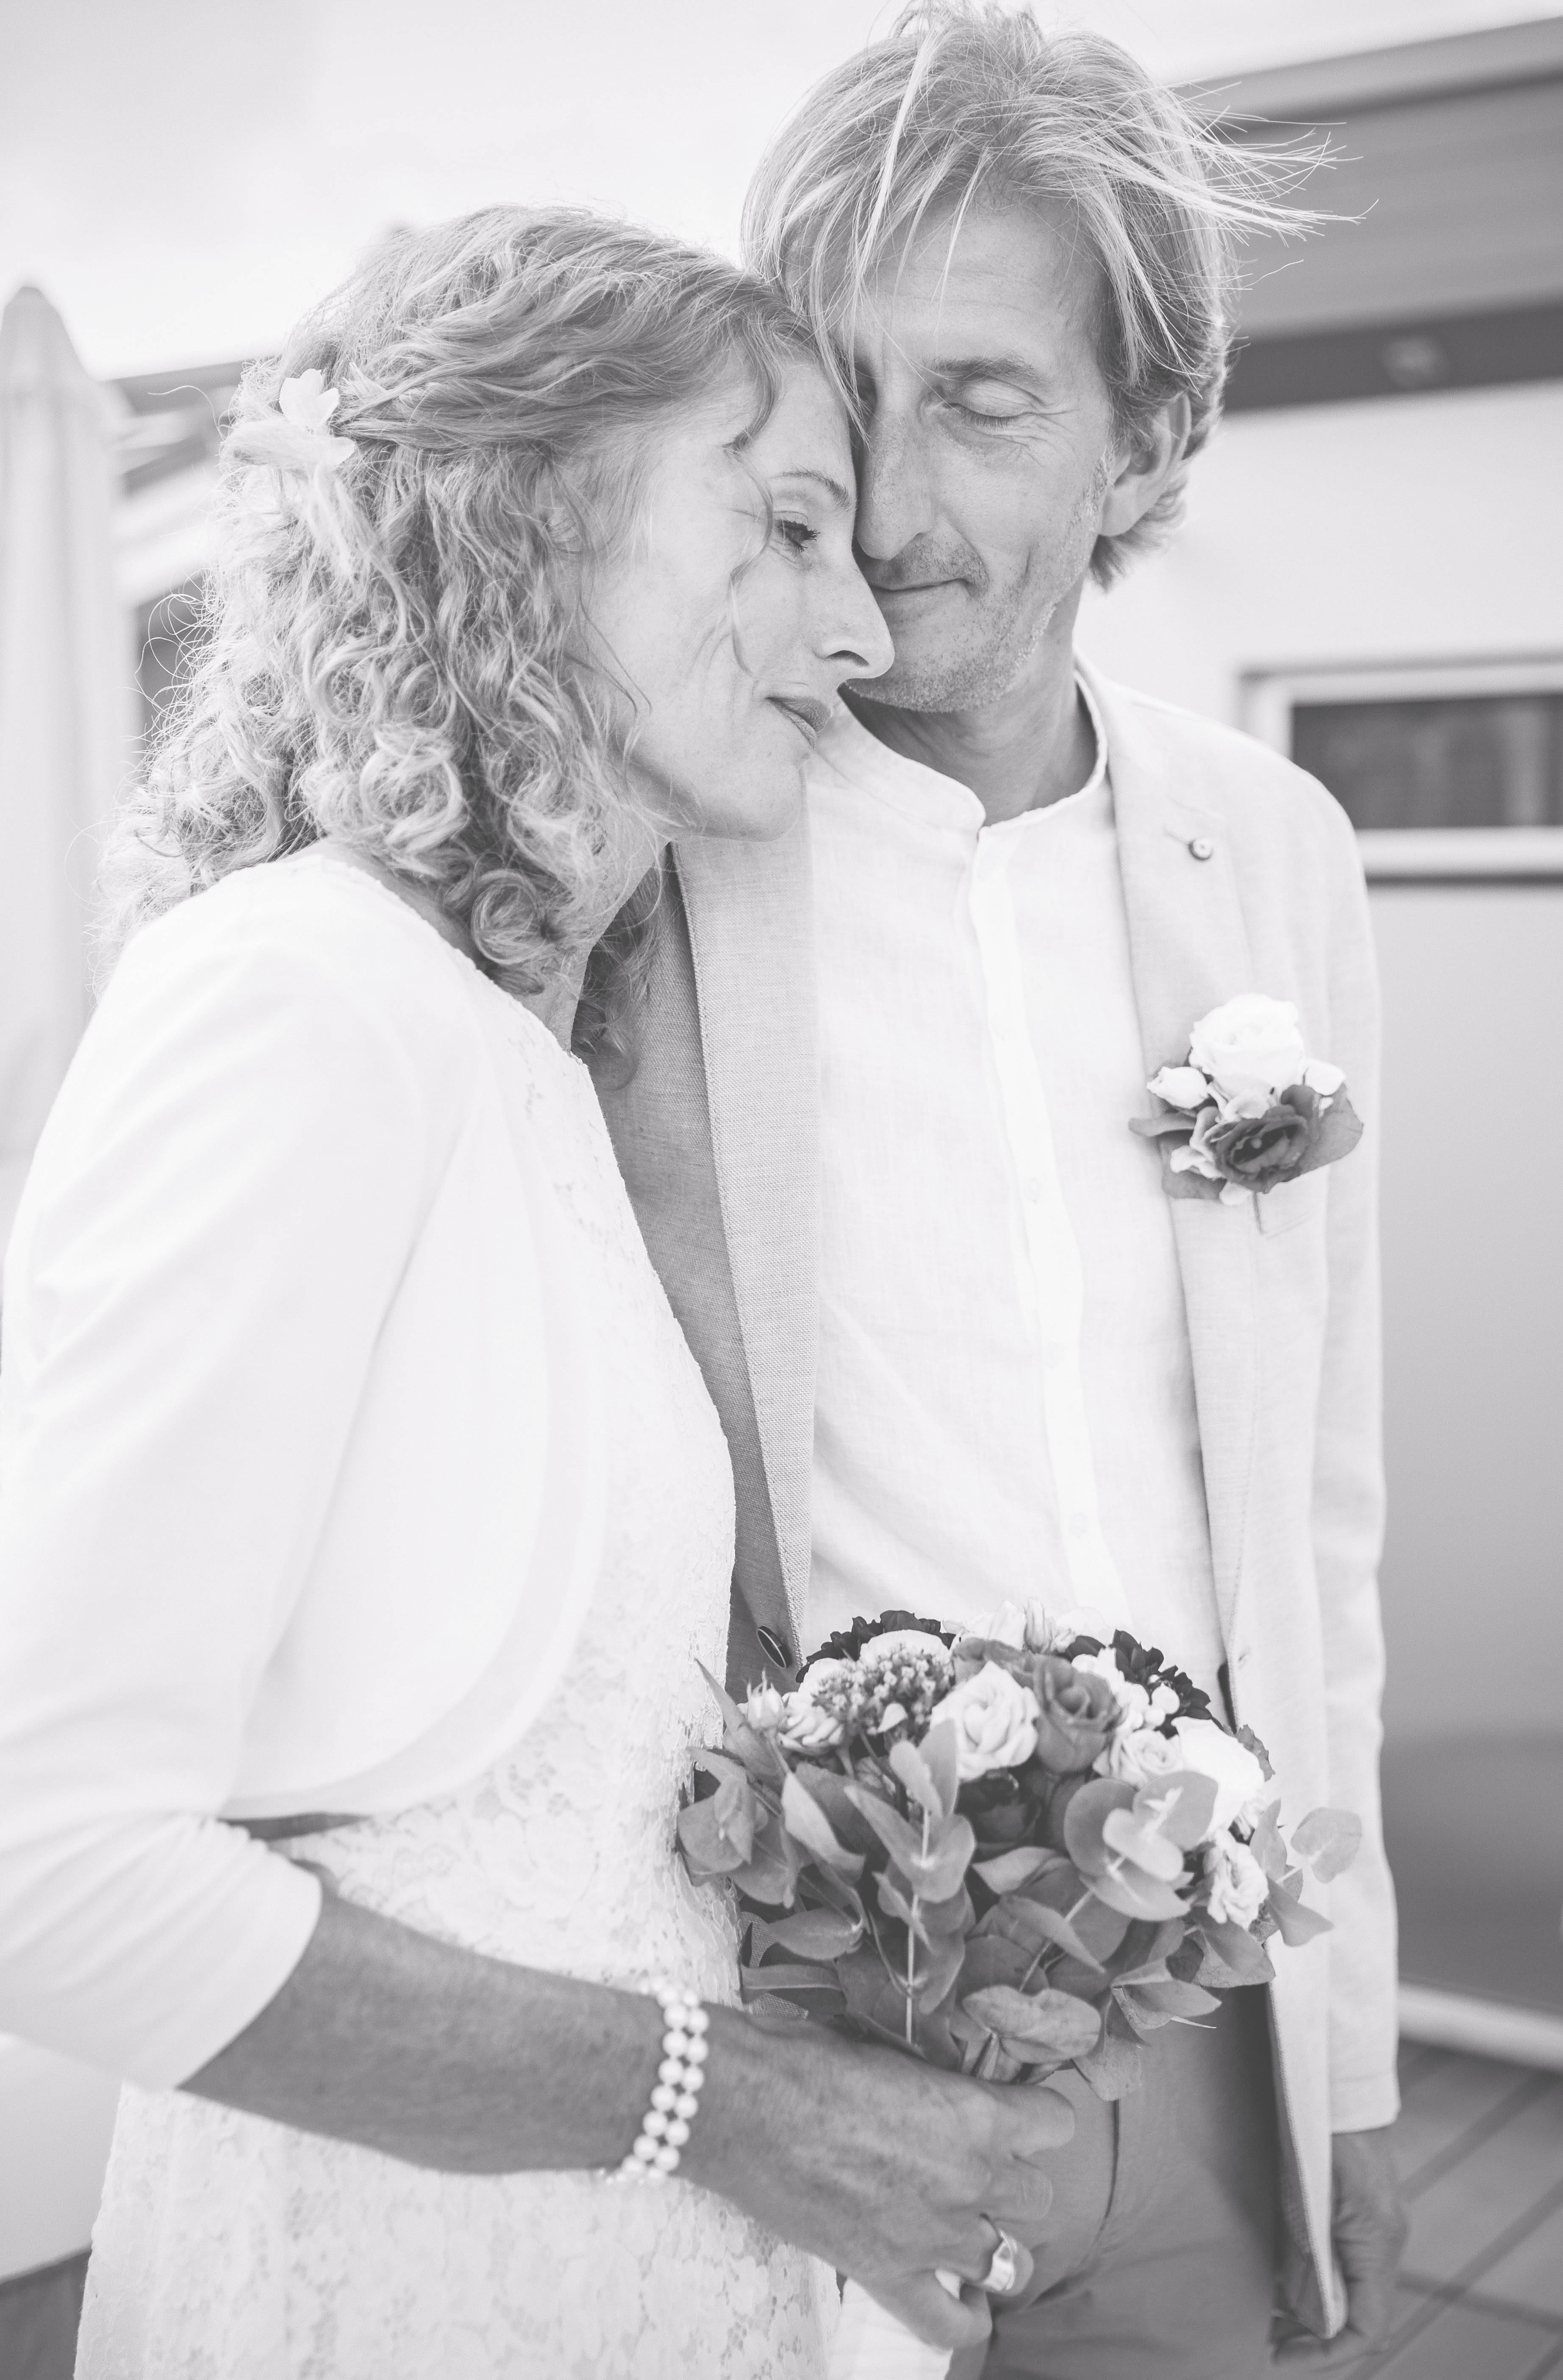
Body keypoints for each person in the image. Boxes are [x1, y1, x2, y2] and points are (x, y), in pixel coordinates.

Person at [0, 206, 1074, 2379]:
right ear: (520, 511)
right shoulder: (298, 1002)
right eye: (781, 525)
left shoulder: (528, 1051)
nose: (858, 626)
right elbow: (42, 1864)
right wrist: (748, 2112)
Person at [591, 9, 1408, 2375]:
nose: (888, 495)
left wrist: (1343, 2051)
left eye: (988, 397)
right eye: (849, 391)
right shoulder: (657, 844)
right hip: (776, 2040)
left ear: (1148, 429)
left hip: (1209, 2029)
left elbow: (1315, 1511)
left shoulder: (1276, 850)